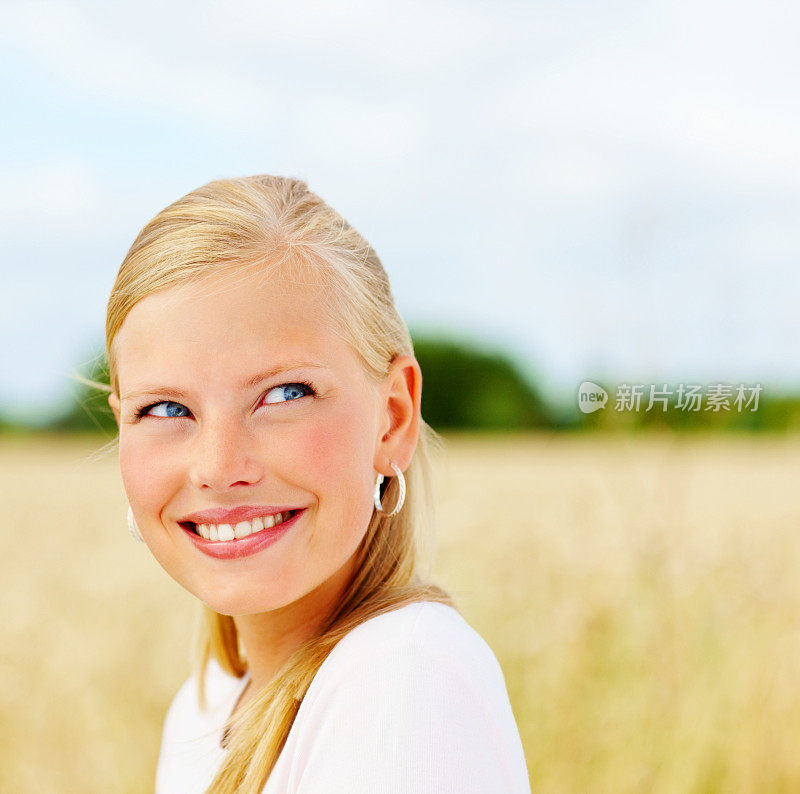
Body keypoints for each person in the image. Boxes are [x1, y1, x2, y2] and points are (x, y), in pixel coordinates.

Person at [100, 174, 530, 793]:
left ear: (392, 417)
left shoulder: (405, 679)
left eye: (284, 394)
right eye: (165, 409)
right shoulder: (206, 711)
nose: (220, 467)